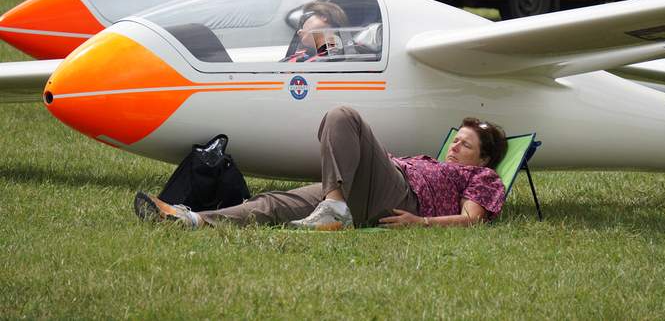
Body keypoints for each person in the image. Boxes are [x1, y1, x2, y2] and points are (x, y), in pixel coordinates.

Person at [134, 106, 507, 230]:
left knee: (343, 116)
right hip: (364, 193)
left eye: (465, 145)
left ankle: (334, 206)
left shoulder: (483, 177)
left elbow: (472, 219)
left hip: (398, 196)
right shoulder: (435, 163)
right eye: (455, 140)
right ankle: (192, 220)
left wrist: (420, 222)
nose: (454, 147)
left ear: (484, 159)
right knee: (274, 203)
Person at [281, 0, 349, 62]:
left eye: (303, 20)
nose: (299, 31)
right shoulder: (300, 59)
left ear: (323, 16)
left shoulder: (347, 57)